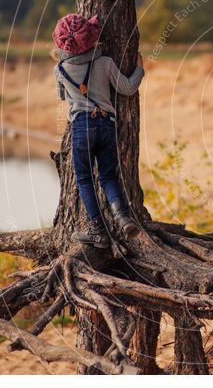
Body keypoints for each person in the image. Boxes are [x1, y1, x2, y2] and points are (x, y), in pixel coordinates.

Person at [52, 13, 145, 249]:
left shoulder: (60, 69)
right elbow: (128, 88)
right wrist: (140, 70)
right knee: (107, 176)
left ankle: (98, 231)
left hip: (81, 127)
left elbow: (62, 96)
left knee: (84, 179)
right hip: (107, 124)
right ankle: (123, 217)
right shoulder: (105, 63)